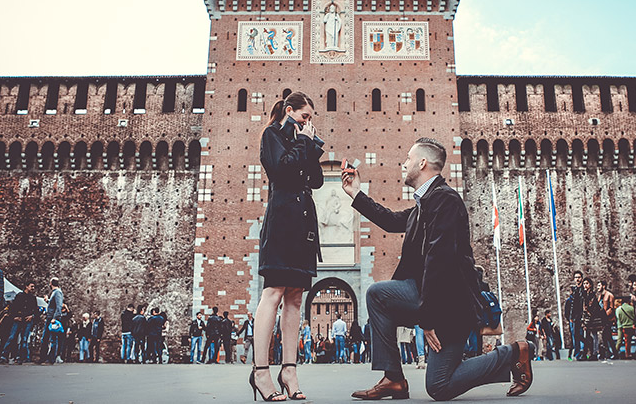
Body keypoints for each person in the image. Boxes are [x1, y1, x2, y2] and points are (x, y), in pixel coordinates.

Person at [343, 137, 534, 400]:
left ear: (422, 163)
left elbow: (439, 260)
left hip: (450, 306)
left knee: (439, 386)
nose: (404, 163)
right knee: (378, 295)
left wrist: (428, 318)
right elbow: (389, 220)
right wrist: (356, 193)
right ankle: (394, 379)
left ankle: (515, 352)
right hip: (432, 300)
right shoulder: (424, 205)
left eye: (408, 158)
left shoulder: (445, 201)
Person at [250, 92, 324, 402]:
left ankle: (289, 370)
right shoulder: (272, 135)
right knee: (274, 292)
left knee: (295, 297)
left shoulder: (300, 140)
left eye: (310, 119)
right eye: (304, 116)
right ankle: (261, 371)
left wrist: (311, 146)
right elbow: (281, 170)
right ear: (290, 110)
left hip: (303, 223)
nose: (308, 122)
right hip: (281, 220)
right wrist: (303, 142)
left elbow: (317, 181)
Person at [0, 281, 38, 365]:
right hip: (19, 318)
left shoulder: (33, 298)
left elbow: (36, 310)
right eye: (31, 286)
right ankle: (4, 356)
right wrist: (14, 317)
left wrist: (32, 316)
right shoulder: (19, 296)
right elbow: (13, 307)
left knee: (24, 339)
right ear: (26, 286)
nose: (33, 288)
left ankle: (20, 357)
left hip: (27, 319)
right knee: (12, 337)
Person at [563, 271, 585, 360]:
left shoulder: (583, 291)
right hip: (574, 318)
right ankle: (578, 354)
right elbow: (568, 308)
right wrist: (570, 318)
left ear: (582, 278)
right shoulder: (573, 293)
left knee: (581, 335)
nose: (578, 279)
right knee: (575, 336)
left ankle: (583, 352)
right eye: (576, 277)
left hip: (581, 318)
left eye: (579, 277)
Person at [597, 280, 617, 359]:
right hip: (602, 320)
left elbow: (611, 308)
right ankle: (610, 353)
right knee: (606, 337)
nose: (598, 287)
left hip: (608, 320)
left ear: (604, 286)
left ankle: (612, 353)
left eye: (599, 285)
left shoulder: (609, 295)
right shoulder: (600, 296)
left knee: (607, 337)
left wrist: (605, 316)